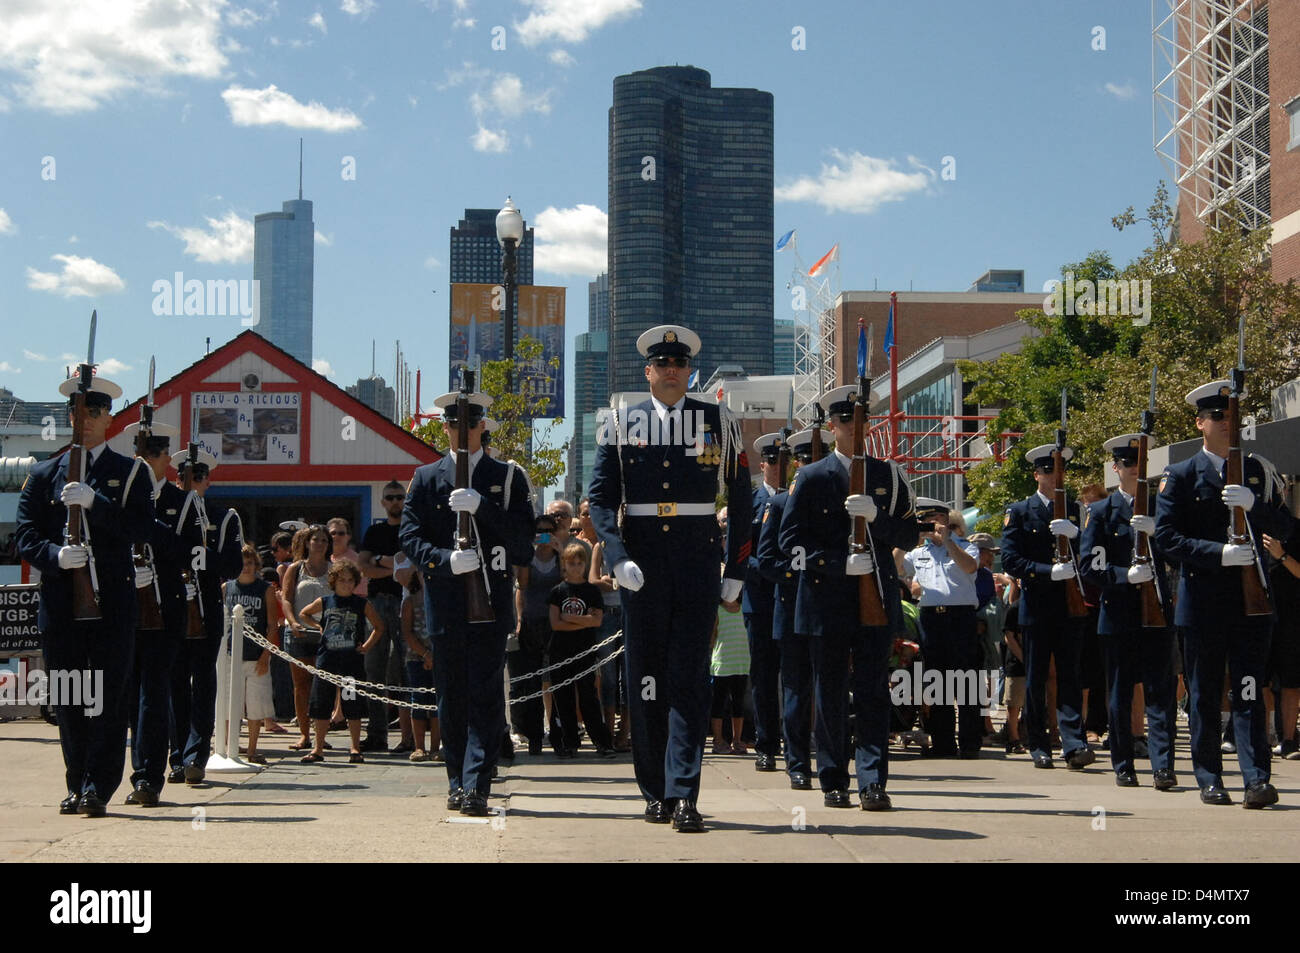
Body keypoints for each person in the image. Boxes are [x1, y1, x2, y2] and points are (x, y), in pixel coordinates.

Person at [588, 324, 752, 832]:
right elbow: (598, 497)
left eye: (679, 364)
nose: (671, 371)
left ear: (688, 371)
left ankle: (684, 793)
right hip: (642, 564)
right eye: (662, 364)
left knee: (689, 679)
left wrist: (736, 568)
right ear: (648, 371)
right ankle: (653, 790)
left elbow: (741, 497)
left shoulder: (717, 419)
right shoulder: (620, 421)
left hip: (696, 560)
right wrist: (615, 556)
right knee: (646, 680)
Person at [15, 370, 154, 816]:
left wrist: (98, 503)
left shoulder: (130, 473)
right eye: (76, 410)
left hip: (112, 601)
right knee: (70, 696)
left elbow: (141, 528)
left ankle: (99, 785)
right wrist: (55, 555)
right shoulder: (43, 474)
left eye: (94, 411)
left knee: (108, 698)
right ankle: (77, 782)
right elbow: (25, 536)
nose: (84, 418)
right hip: (61, 602)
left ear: (109, 419)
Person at [1155, 379, 1294, 807]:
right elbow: (1165, 538)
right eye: (1218, 416)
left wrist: (1257, 506)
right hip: (1203, 602)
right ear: (1200, 423)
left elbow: (1287, 528)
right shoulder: (1180, 475)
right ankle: (1210, 777)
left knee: (1250, 688)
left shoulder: (1257, 470)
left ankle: (1256, 778)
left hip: (1251, 601)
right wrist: (1218, 554)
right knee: (1205, 690)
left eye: (1231, 415)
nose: (1227, 422)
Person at [779, 385, 918, 811]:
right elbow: (791, 543)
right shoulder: (812, 476)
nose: (855, 430)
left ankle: (874, 780)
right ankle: (834, 778)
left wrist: (878, 522)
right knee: (831, 692)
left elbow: (911, 535)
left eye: (862, 422)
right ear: (834, 426)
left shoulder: (888, 475)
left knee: (874, 691)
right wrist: (836, 563)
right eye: (846, 422)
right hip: (827, 600)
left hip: (874, 596)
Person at [399, 388, 534, 817]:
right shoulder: (426, 477)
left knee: (486, 694)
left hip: (491, 602)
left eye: (470, 423)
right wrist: (443, 561)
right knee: (451, 696)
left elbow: (524, 544)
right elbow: (410, 536)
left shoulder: (507, 477)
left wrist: (484, 509)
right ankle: (456, 779)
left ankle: (477, 782)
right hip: (446, 602)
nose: (462, 430)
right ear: (445, 426)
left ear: (482, 426)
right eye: (454, 423)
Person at [1079, 434, 1178, 790]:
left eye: (1140, 464)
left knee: (1159, 692)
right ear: (1116, 468)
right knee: (1120, 695)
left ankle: (1163, 765)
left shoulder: (1161, 507)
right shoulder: (1102, 512)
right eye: (1129, 464)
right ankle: (1123, 764)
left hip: (1156, 611)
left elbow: (1179, 552)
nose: (1135, 470)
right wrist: (1123, 576)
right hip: (1119, 611)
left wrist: (1159, 536)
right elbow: (1090, 565)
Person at [999, 442, 1092, 771]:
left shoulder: (1075, 510)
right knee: (1036, 677)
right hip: (1037, 603)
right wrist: (1046, 571)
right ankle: (1038, 743)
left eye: (1060, 471)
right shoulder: (1021, 510)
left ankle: (1073, 742)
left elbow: (1091, 552)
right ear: (1037, 474)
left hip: (1069, 605)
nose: (1056, 477)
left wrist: (1078, 535)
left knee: (1070, 675)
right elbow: (1009, 558)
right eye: (1050, 471)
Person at [119, 420, 187, 807]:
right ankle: (131, 770)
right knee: (129, 697)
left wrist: (154, 542)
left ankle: (148, 778)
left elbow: (189, 548)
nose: (146, 463)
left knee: (153, 694)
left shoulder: (179, 503)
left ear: (165, 461)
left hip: (165, 609)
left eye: (153, 457)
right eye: (141, 456)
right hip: (126, 607)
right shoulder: (123, 495)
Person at [168, 447, 244, 786]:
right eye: (186, 476)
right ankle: (176, 755)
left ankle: (196, 754)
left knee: (202, 680)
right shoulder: (166, 511)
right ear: (177, 478)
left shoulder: (223, 516)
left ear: (208, 481)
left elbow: (233, 565)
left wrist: (205, 558)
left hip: (205, 603)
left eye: (199, 476)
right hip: (170, 602)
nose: (193, 482)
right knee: (173, 682)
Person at [757, 427, 826, 791]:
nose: (809, 467)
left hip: (829, 608)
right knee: (796, 690)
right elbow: (767, 560)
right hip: (792, 604)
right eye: (804, 461)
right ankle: (797, 762)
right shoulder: (779, 505)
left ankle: (832, 760)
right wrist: (803, 571)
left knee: (829, 689)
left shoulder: (837, 501)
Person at [901, 497, 982, 758]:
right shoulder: (918, 552)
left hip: (961, 617)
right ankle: (943, 742)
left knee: (967, 682)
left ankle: (970, 743)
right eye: (925, 520)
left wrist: (947, 541)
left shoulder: (966, 547)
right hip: (931, 618)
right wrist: (907, 537)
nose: (930, 525)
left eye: (934, 519)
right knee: (937, 682)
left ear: (946, 521)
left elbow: (970, 567)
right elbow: (893, 566)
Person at [298, 559, 382, 763]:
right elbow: (304, 613)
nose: (345, 584)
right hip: (327, 661)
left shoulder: (361, 603)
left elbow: (379, 627)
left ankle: (354, 747)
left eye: (350, 580)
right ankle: (318, 748)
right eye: (341, 580)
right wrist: (318, 626)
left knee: (352, 704)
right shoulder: (326, 602)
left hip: (351, 662)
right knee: (321, 704)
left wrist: (366, 647)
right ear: (334, 581)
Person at [357, 482, 413, 755]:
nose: (395, 502)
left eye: (399, 497)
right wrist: (390, 566)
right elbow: (363, 567)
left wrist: (386, 565)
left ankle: (409, 737)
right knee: (374, 669)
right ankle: (377, 734)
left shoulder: (412, 530)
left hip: (407, 604)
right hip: (378, 603)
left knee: (406, 670)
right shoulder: (375, 531)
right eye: (390, 498)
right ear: (382, 502)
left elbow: (414, 568)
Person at [547, 542, 616, 757]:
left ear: (585, 565)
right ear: (564, 565)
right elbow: (555, 624)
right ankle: (568, 742)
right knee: (563, 698)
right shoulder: (557, 592)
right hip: (560, 650)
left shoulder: (592, 591)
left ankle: (601, 742)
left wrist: (571, 618)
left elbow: (597, 621)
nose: (576, 567)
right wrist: (583, 620)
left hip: (585, 650)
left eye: (579, 563)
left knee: (588, 697)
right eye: (571, 563)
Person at [219, 543, 282, 765]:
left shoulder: (265, 589)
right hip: (229, 653)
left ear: (257, 565)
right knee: (228, 702)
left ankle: (253, 748)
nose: (246, 567)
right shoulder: (227, 588)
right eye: (242, 563)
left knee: (257, 703)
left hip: (256, 654)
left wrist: (266, 655)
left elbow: (273, 625)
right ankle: (227, 746)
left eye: (250, 563)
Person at [744, 432, 784, 772]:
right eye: (772, 460)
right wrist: (774, 571)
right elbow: (742, 555)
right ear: (762, 465)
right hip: (761, 599)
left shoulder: (800, 498)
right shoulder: (751, 502)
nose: (777, 466)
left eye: (783, 460)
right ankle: (766, 744)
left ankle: (800, 740)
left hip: (795, 598)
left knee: (798, 676)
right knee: (765, 678)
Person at [512, 513, 563, 754]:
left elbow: (569, 581)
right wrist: (520, 619)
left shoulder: (560, 555)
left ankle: (558, 733)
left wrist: (560, 551)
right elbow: (521, 587)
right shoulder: (528, 557)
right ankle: (533, 735)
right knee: (532, 681)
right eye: (539, 530)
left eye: (548, 530)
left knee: (556, 680)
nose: (543, 535)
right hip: (531, 622)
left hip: (555, 623)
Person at [280, 526, 331, 750]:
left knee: (325, 685)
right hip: (299, 632)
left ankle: (322, 733)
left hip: (327, 633)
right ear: (307, 542)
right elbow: (287, 598)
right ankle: (304, 734)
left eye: (323, 540)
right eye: (315, 539)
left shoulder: (334, 569)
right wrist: (292, 621)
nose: (319, 544)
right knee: (301, 685)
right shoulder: (295, 568)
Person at [584, 499, 629, 751]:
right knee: (609, 676)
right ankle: (608, 734)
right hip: (607, 615)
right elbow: (591, 578)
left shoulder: (633, 543)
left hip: (628, 612)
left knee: (628, 676)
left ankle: (625, 734)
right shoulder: (601, 546)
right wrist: (609, 581)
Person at [1262, 529, 1300, 759]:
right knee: (1259, 682)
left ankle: (1288, 739)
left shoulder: (1295, 529)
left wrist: (1282, 555)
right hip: (1259, 615)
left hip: (1291, 617)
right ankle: (1262, 737)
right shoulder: (1252, 526)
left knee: (1290, 682)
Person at [400, 567, 440, 762]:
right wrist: (424, 654)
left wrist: (435, 655)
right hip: (416, 657)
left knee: (437, 702)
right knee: (418, 701)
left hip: (440, 657)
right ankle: (418, 747)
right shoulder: (410, 600)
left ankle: (435, 747)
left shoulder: (444, 598)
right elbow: (407, 633)